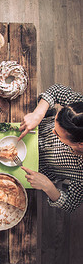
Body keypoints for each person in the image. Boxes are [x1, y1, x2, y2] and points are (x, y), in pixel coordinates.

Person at [18, 84, 83, 213]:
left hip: (37, 170)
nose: (52, 131)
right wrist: (38, 113)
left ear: (80, 145)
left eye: (58, 134)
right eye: (55, 123)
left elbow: (70, 205)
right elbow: (57, 90)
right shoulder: (78, 110)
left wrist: (48, 187)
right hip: (33, 131)